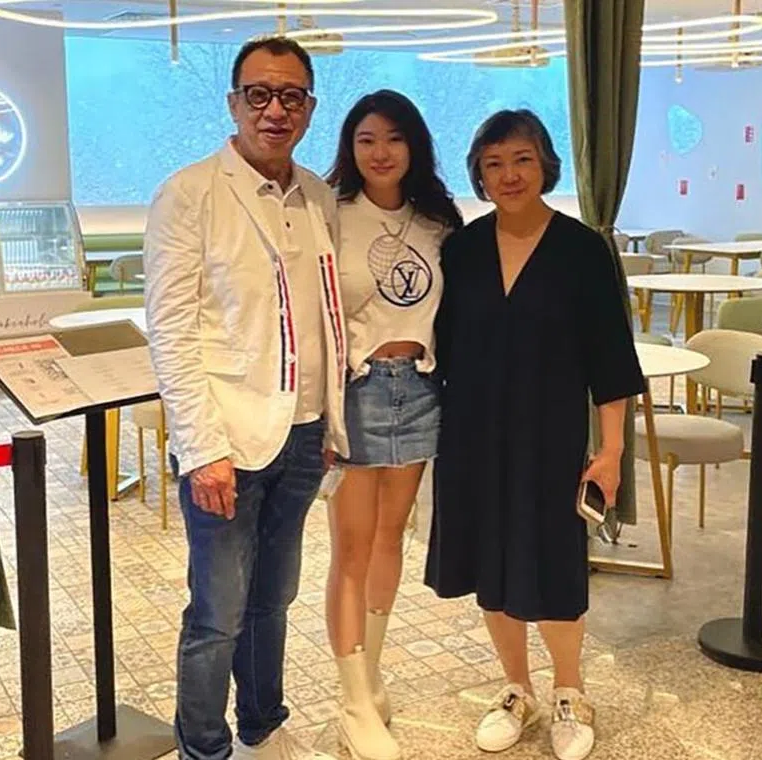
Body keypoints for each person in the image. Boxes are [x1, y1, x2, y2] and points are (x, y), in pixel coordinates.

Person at [143, 37, 348, 760]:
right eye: (259, 94)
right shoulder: (190, 193)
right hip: (226, 439)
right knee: (218, 613)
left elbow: (325, 319)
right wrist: (202, 450)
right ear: (234, 103)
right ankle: (204, 746)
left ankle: (264, 725)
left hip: (303, 434)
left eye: (290, 96)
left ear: (309, 109)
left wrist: (331, 423)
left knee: (274, 599)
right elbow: (171, 332)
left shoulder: (318, 195)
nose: (274, 110)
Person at [423, 110, 645, 760]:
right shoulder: (461, 250)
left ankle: (570, 691)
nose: (509, 175)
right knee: (490, 563)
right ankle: (516, 689)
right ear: (479, 175)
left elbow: (611, 359)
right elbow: (441, 345)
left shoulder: (581, 249)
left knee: (553, 565)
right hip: (471, 436)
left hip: (550, 439)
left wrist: (611, 451)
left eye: (521, 159)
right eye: (493, 164)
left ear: (545, 164)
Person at [323, 90, 463, 760]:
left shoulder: (438, 221)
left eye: (394, 138)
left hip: (421, 388)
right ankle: (352, 702)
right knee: (350, 549)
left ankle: (369, 678)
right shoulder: (330, 213)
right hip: (356, 389)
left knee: (390, 539)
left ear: (415, 146)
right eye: (366, 139)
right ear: (349, 147)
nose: (380, 152)